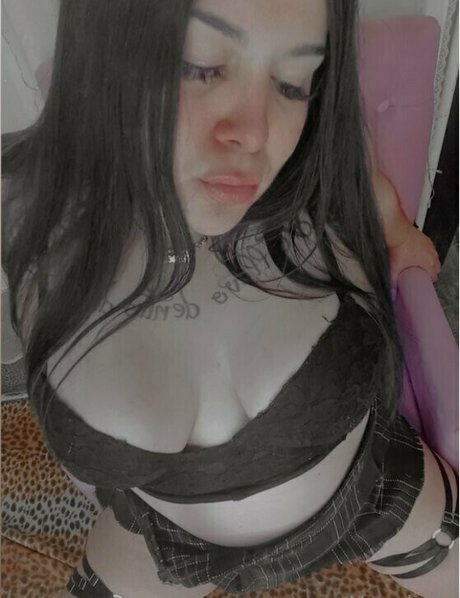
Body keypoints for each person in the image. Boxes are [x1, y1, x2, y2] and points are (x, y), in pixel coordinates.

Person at [1, 1, 456, 597]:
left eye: (293, 83)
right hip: (162, 546)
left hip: (374, 498)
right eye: (200, 67)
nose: (257, 134)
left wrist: (401, 236)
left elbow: (373, 199)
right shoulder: (22, 199)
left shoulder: (318, 165)